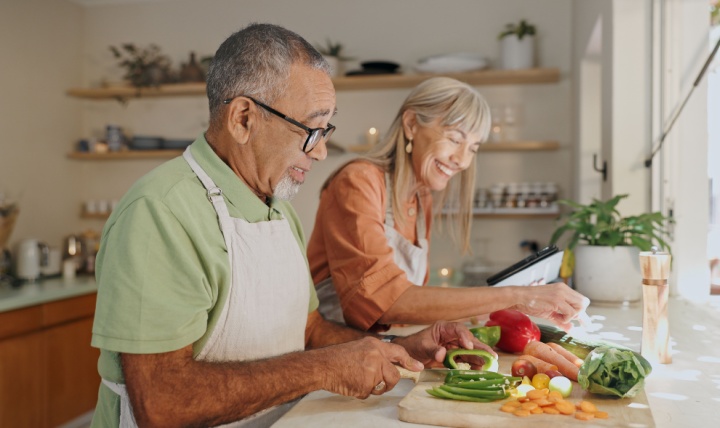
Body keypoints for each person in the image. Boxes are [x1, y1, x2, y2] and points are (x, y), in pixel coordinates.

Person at [89, 23, 493, 428]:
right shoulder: (159, 213)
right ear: (243, 119)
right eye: (310, 130)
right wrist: (322, 369)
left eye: (326, 130)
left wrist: (399, 347)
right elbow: (163, 403)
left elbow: (310, 329)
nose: (320, 152)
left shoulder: (279, 210)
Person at [307, 76, 589, 333]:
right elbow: (384, 300)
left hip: (380, 351)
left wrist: (512, 305)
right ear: (411, 124)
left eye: (473, 149)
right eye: (455, 139)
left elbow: (409, 306)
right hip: (333, 357)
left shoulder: (422, 196)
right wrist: (518, 295)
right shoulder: (357, 181)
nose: (463, 160)